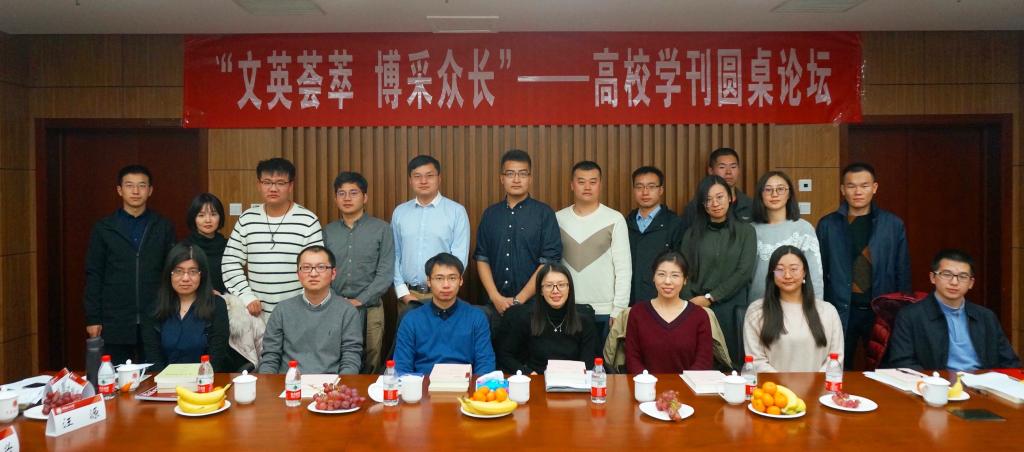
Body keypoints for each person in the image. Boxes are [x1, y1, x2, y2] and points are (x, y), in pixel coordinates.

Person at [817, 162, 910, 369]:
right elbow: (819, 272)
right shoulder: (828, 225)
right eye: (851, 186)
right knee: (837, 368)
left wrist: (901, 313)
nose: (858, 191)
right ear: (843, 189)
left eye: (864, 186)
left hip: (880, 311)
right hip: (840, 309)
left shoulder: (893, 225)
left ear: (874, 188)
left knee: (884, 368)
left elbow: (902, 271)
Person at [84, 164, 175, 365]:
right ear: (119, 190)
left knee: (155, 375)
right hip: (115, 319)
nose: (135, 191)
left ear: (150, 190)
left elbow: (171, 271)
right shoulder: (104, 228)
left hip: (155, 316)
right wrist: (93, 318)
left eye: (141, 185)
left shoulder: (162, 226)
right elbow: (94, 274)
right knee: (115, 376)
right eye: (129, 185)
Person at [222, 158, 324, 321]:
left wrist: (301, 304)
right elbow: (230, 262)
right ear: (259, 184)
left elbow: (317, 268)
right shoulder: (247, 219)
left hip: (297, 315)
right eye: (267, 182)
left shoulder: (308, 221)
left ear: (290, 186)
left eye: (280, 183)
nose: (273, 188)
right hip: (256, 316)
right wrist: (247, 296)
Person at [887, 249, 1020, 371]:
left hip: (983, 384)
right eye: (947, 274)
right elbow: (903, 362)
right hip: (936, 384)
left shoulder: (986, 317)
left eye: (962, 276)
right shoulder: (910, 316)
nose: (954, 282)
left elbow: (1010, 362)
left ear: (971, 283)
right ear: (933, 278)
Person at [475, 149, 562, 327]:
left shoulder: (544, 214)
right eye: (510, 174)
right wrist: (495, 297)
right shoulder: (490, 214)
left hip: (534, 308)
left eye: (522, 174)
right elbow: (482, 258)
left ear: (530, 178)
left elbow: (549, 261)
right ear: (502, 178)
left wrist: (518, 300)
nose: (516, 179)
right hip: (494, 306)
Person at [555, 161, 631, 358]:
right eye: (581, 181)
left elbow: (624, 268)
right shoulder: (557, 219)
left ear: (600, 184)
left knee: (601, 368)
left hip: (604, 311)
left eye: (593, 181)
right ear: (572, 185)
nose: (587, 187)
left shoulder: (615, 219)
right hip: (566, 308)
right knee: (567, 367)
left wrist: (618, 309)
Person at [678, 175, 756, 367]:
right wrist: (691, 302)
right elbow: (683, 271)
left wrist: (711, 297)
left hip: (730, 309)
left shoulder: (746, 232)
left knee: (729, 365)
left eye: (719, 197)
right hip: (696, 307)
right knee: (697, 364)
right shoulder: (691, 234)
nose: (715, 203)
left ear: (730, 197)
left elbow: (743, 272)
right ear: (702, 204)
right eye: (708, 199)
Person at [323, 171, 395, 373]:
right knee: (337, 355)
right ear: (335, 198)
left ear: (365, 197)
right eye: (341, 193)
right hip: (334, 305)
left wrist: (360, 300)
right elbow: (322, 269)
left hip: (371, 306)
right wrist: (336, 299)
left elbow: (385, 272)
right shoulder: (328, 231)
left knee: (372, 356)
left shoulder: (382, 229)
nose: (347, 198)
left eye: (353, 193)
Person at [258, 246, 364, 374]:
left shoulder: (347, 311)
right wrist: (268, 384)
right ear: (298, 274)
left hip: (331, 383)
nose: (313, 274)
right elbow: (270, 357)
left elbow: (351, 358)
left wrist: (342, 385)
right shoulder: (282, 310)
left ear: (333, 273)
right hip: (290, 382)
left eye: (321, 267)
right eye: (306, 267)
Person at [743, 246, 844, 373]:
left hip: (819, 385)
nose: (787, 275)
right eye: (780, 270)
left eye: (794, 269)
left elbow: (835, 359)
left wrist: (814, 382)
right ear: (772, 274)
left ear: (804, 272)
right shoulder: (756, 311)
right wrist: (784, 383)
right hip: (773, 385)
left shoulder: (828, 312)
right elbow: (756, 361)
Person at [142, 242, 240, 372]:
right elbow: (153, 357)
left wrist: (200, 380)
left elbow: (217, 357)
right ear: (169, 273)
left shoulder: (216, 305)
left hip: (207, 380)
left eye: (193, 272)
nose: (185, 278)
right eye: (178, 271)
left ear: (202, 274)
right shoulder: (155, 308)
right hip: (164, 380)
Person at [392, 155, 470, 315]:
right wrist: (402, 292)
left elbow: (459, 257)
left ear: (439, 178)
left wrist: (445, 288)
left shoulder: (456, 212)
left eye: (429, 175)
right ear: (410, 180)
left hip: (444, 296)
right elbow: (394, 254)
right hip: (408, 296)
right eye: (417, 176)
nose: (423, 181)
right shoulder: (400, 212)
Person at [393, 253, 495, 375]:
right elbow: (401, 368)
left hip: (464, 384)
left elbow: (486, 364)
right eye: (439, 278)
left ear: (461, 280)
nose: (446, 285)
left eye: (452, 278)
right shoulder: (411, 319)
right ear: (429, 281)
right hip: (423, 384)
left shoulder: (477, 317)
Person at [496, 263, 597, 374]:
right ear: (540, 290)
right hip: (537, 379)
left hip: (574, 380)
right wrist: (527, 373)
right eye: (549, 285)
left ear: (569, 288)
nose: (555, 290)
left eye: (561, 285)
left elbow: (588, 364)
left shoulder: (585, 321)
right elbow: (505, 355)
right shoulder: (526, 318)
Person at [625, 251, 713, 374]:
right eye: (661, 274)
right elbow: (632, 358)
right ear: (653, 277)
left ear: (685, 279)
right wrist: (648, 383)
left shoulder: (699, 315)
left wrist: (683, 384)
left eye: (675, 275)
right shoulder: (637, 313)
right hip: (646, 384)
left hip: (688, 385)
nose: (667, 281)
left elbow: (704, 361)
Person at [748, 171, 823, 303]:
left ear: (789, 194)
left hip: (796, 306)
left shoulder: (803, 229)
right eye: (768, 189)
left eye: (780, 189)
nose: (774, 194)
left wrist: (815, 306)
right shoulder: (749, 230)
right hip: (757, 305)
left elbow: (814, 276)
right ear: (760, 194)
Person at [626, 166, 683, 306]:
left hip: (663, 301)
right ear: (633, 190)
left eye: (651, 187)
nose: (645, 192)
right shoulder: (625, 223)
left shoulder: (675, 223)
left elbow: (681, 265)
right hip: (629, 300)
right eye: (639, 187)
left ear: (661, 190)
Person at [679, 147, 753, 233]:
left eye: (733, 167)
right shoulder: (695, 207)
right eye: (722, 167)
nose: (728, 172)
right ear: (711, 171)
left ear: (739, 170)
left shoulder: (751, 205)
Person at [186, 192, 228, 294]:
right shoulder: (185, 247)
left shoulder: (229, 246)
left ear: (220, 217)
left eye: (213, 214)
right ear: (193, 218)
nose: (208, 220)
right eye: (201, 215)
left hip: (226, 299)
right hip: (194, 299)